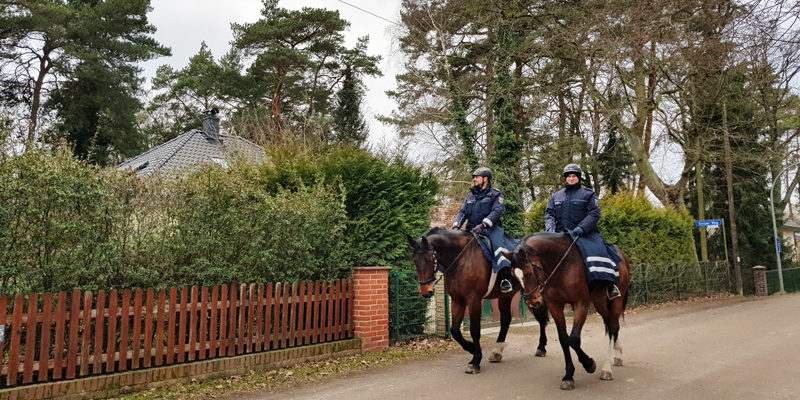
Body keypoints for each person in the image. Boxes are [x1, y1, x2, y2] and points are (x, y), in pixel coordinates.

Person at [545, 163, 622, 300]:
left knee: (600, 250)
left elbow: (594, 213)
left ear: (579, 178)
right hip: (560, 234)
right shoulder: (556, 196)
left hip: (585, 233)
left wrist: (581, 228)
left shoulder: (588, 194)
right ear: (565, 179)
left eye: (574, 176)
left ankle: (609, 285)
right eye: (568, 176)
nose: (571, 179)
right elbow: (549, 214)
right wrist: (550, 230)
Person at [452, 167, 515, 293]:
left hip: (491, 229)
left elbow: (497, 211)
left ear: (485, 179)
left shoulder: (496, 194)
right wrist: (456, 226)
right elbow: (463, 212)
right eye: (474, 177)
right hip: (472, 229)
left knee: (499, 248)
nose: (474, 179)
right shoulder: (470, 195)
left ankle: (505, 278)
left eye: (477, 177)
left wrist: (484, 224)